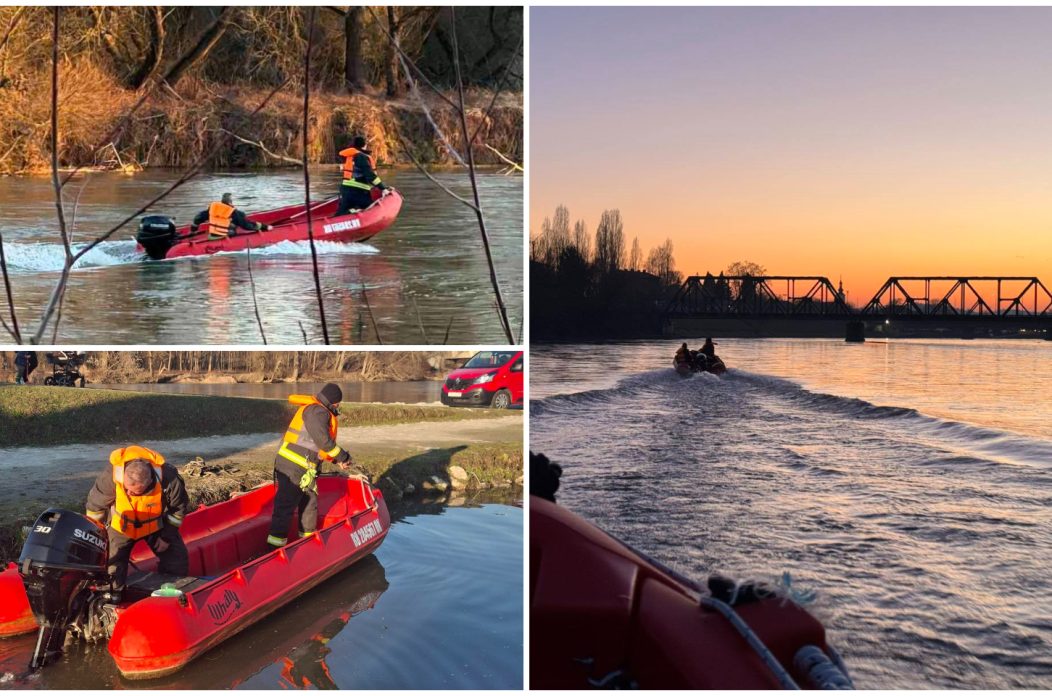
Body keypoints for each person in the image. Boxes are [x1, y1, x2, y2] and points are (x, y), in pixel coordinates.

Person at [85, 445, 189, 591]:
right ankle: (111, 599)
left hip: (155, 525)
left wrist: (166, 537)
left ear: (148, 483)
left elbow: (178, 510)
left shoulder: (169, 478)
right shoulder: (110, 477)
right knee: (110, 568)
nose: (128, 493)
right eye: (126, 488)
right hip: (120, 527)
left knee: (177, 559)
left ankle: (170, 595)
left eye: (134, 492)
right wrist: (97, 537)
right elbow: (95, 508)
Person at [268, 383, 354, 548]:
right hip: (292, 466)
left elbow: (318, 448)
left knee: (309, 505)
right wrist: (343, 457)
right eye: (338, 404)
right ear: (333, 402)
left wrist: (337, 461)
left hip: (306, 469)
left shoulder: (321, 412)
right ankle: (275, 550)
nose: (338, 407)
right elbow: (324, 442)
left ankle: (307, 545)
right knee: (285, 507)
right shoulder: (317, 411)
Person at [336, 136, 387, 215]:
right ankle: (354, 210)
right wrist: (383, 188)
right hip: (359, 191)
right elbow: (370, 176)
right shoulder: (362, 157)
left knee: (341, 213)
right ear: (364, 145)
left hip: (345, 190)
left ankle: (350, 211)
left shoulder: (349, 156)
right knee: (371, 208)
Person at [190, 193, 271, 240]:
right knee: (237, 221)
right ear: (230, 203)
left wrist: (193, 231)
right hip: (227, 235)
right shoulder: (233, 212)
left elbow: (197, 219)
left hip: (212, 236)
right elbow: (246, 226)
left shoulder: (212, 209)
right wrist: (265, 227)